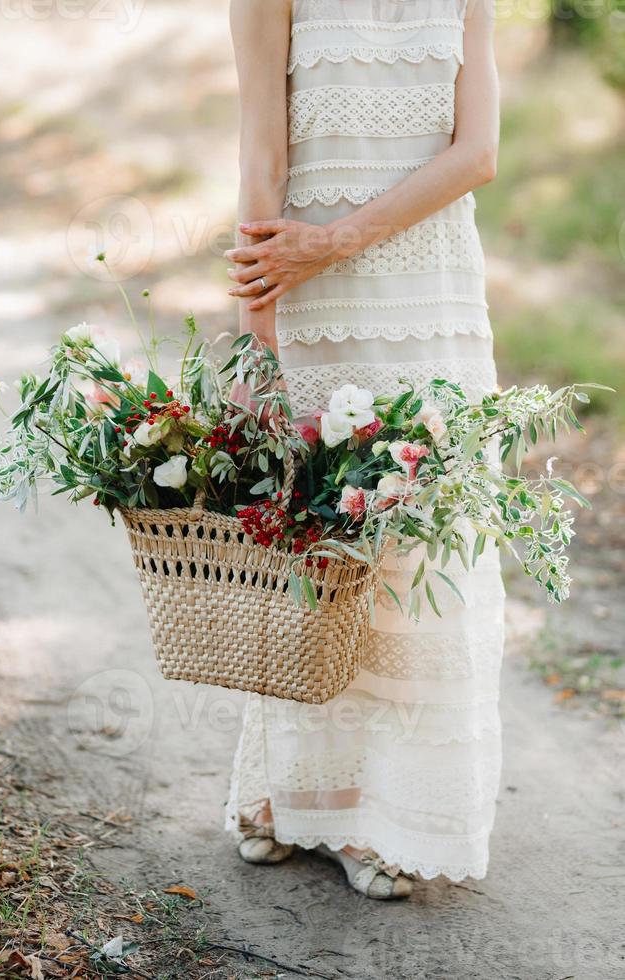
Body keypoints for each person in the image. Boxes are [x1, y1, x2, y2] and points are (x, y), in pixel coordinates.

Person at [224, 0, 504, 900]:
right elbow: (262, 152)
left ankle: (391, 814)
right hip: (311, 299)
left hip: (426, 296)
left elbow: (478, 153)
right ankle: (298, 789)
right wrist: (253, 333)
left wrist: (334, 242)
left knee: (415, 545)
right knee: (317, 550)